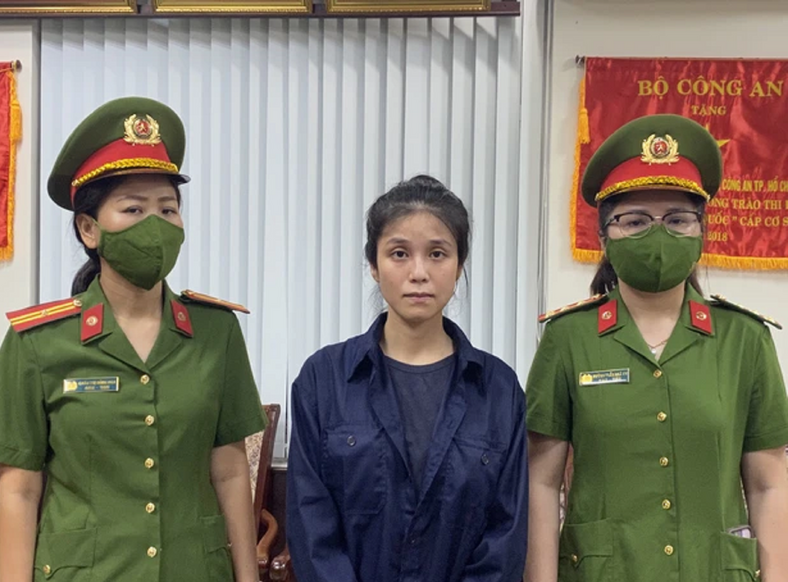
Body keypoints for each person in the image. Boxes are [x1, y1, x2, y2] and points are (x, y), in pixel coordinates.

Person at [0, 97, 266, 582]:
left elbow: (230, 471)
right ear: (89, 228)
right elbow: (19, 492)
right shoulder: (39, 342)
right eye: (133, 208)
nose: (156, 224)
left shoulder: (217, 332)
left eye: (168, 209)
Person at [524, 114, 788, 582]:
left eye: (678, 220)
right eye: (635, 221)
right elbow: (541, 484)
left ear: (701, 231)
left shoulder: (745, 339)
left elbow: (769, 485)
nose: (658, 235)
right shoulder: (568, 339)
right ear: (604, 236)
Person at [286, 175, 528, 582]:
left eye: (437, 254)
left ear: (459, 266)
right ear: (374, 266)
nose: (419, 272)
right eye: (399, 253)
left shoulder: (499, 390)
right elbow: (312, 526)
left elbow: (505, 537)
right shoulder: (323, 379)